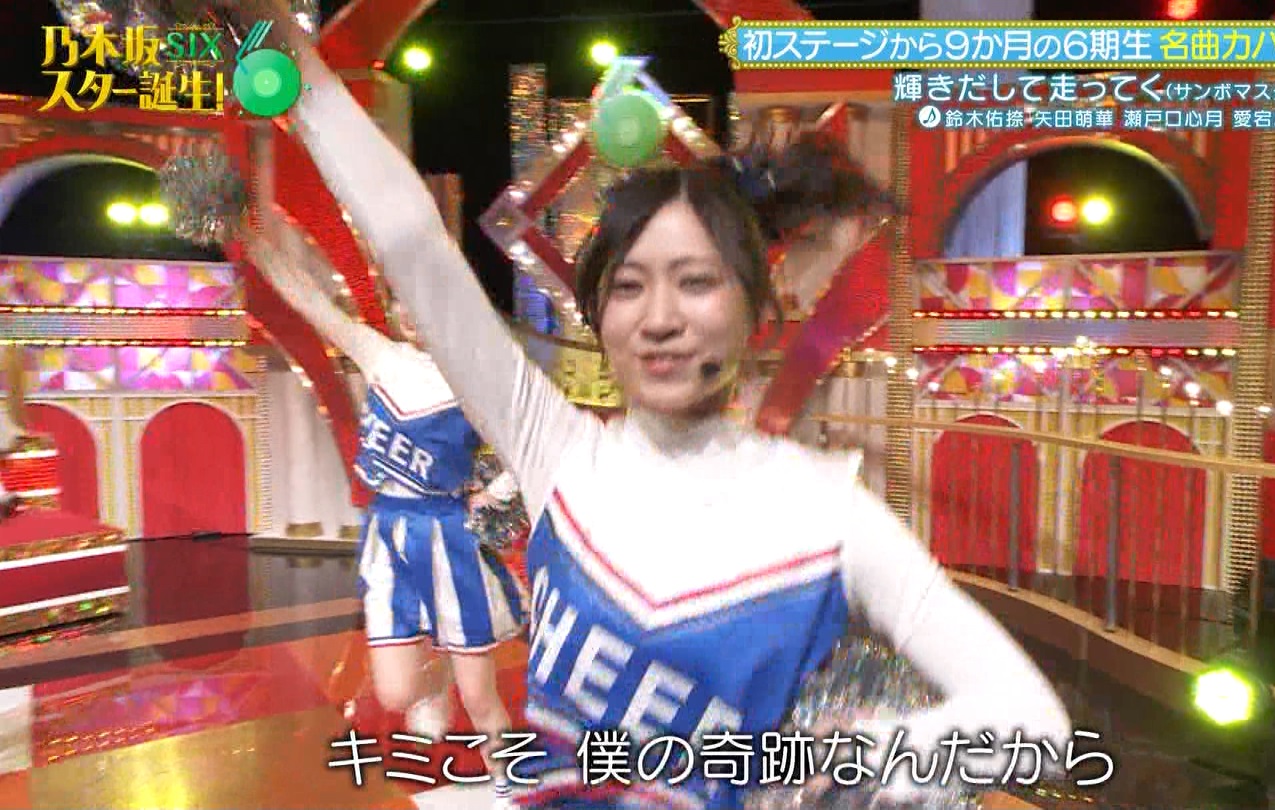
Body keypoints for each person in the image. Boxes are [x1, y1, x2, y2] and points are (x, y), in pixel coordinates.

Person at [231, 7, 1072, 807]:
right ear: (601, 316)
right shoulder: (556, 452)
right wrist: (298, 63)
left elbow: (1032, 723)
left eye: (696, 282)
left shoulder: (830, 515)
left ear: (758, 308)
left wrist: (830, 769)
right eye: (630, 287)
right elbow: (413, 243)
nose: (660, 318)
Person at [235, 218, 527, 802]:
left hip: (450, 538)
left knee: (480, 697)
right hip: (389, 532)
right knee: (395, 694)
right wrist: (250, 238)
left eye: (427, 300)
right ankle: (434, 674)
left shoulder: (478, 381)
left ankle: (511, 785)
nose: (411, 312)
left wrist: (494, 493)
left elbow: (527, 448)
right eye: (403, 300)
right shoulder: (380, 355)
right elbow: (311, 302)